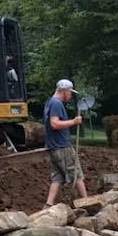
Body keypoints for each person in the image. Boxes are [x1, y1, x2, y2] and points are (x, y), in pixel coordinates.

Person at [43, 79, 88, 208]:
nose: (71, 95)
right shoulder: (56, 103)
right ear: (64, 91)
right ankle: (87, 203)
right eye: (70, 92)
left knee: (57, 177)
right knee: (77, 174)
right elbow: (54, 124)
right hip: (62, 146)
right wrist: (73, 122)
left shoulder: (50, 102)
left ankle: (48, 205)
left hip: (54, 147)